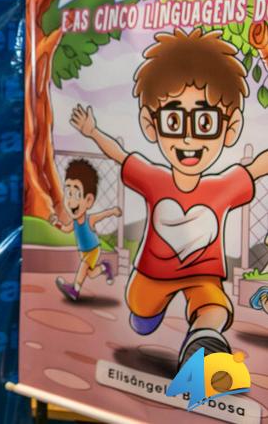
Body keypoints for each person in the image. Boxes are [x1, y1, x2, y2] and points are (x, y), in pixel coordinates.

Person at [70, 28, 268, 369]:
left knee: (215, 308)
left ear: (230, 127)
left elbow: (257, 166)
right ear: (151, 124)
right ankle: (148, 316)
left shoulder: (225, 184)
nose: (189, 137)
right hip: (151, 276)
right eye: (174, 120)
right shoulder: (154, 178)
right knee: (141, 312)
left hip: (202, 276)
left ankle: (204, 342)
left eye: (205, 121)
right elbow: (120, 156)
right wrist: (92, 133)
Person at [49, 159, 120, 301]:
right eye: (68, 193)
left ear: (88, 200)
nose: (70, 202)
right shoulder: (74, 222)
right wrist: (56, 223)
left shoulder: (90, 220)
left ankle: (75, 290)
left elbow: (102, 215)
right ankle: (105, 268)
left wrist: (113, 211)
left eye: (76, 194)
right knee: (91, 273)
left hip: (93, 250)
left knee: (83, 267)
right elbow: (65, 229)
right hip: (84, 251)